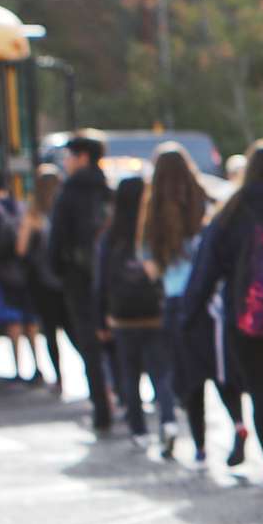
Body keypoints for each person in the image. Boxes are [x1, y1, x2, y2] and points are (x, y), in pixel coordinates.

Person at [181, 140, 263, 491]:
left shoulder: (233, 209)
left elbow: (207, 268)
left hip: (243, 312)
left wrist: (190, 313)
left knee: (260, 387)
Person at [137, 144, 211, 461]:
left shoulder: (152, 212)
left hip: (174, 299)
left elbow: (149, 266)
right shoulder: (204, 202)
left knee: (179, 370)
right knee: (212, 368)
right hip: (206, 299)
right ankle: (236, 423)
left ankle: (196, 441)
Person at [48, 133, 116, 433]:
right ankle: (127, 398)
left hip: (78, 276)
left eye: (69, 156)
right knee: (114, 339)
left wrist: (58, 271)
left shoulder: (69, 193)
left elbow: (56, 239)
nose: (65, 162)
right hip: (111, 277)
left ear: (82, 157)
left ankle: (102, 408)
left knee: (89, 344)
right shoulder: (108, 190)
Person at [95, 175, 162, 444]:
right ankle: (166, 414)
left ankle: (138, 427)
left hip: (122, 315)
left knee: (128, 372)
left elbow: (100, 281)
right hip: (154, 310)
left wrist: (100, 318)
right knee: (160, 369)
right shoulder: (152, 230)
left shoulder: (109, 236)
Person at [0, 169, 38, 384]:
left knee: (12, 321)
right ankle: (38, 366)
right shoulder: (22, 206)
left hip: (4, 272)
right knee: (30, 320)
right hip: (25, 270)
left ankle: (17, 369)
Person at [21, 165, 67, 393]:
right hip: (66, 278)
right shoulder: (65, 210)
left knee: (49, 331)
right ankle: (100, 380)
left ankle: (59, 377)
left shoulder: (33, 215)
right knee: (74, 329)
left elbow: (21, 248)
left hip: (41, 280)